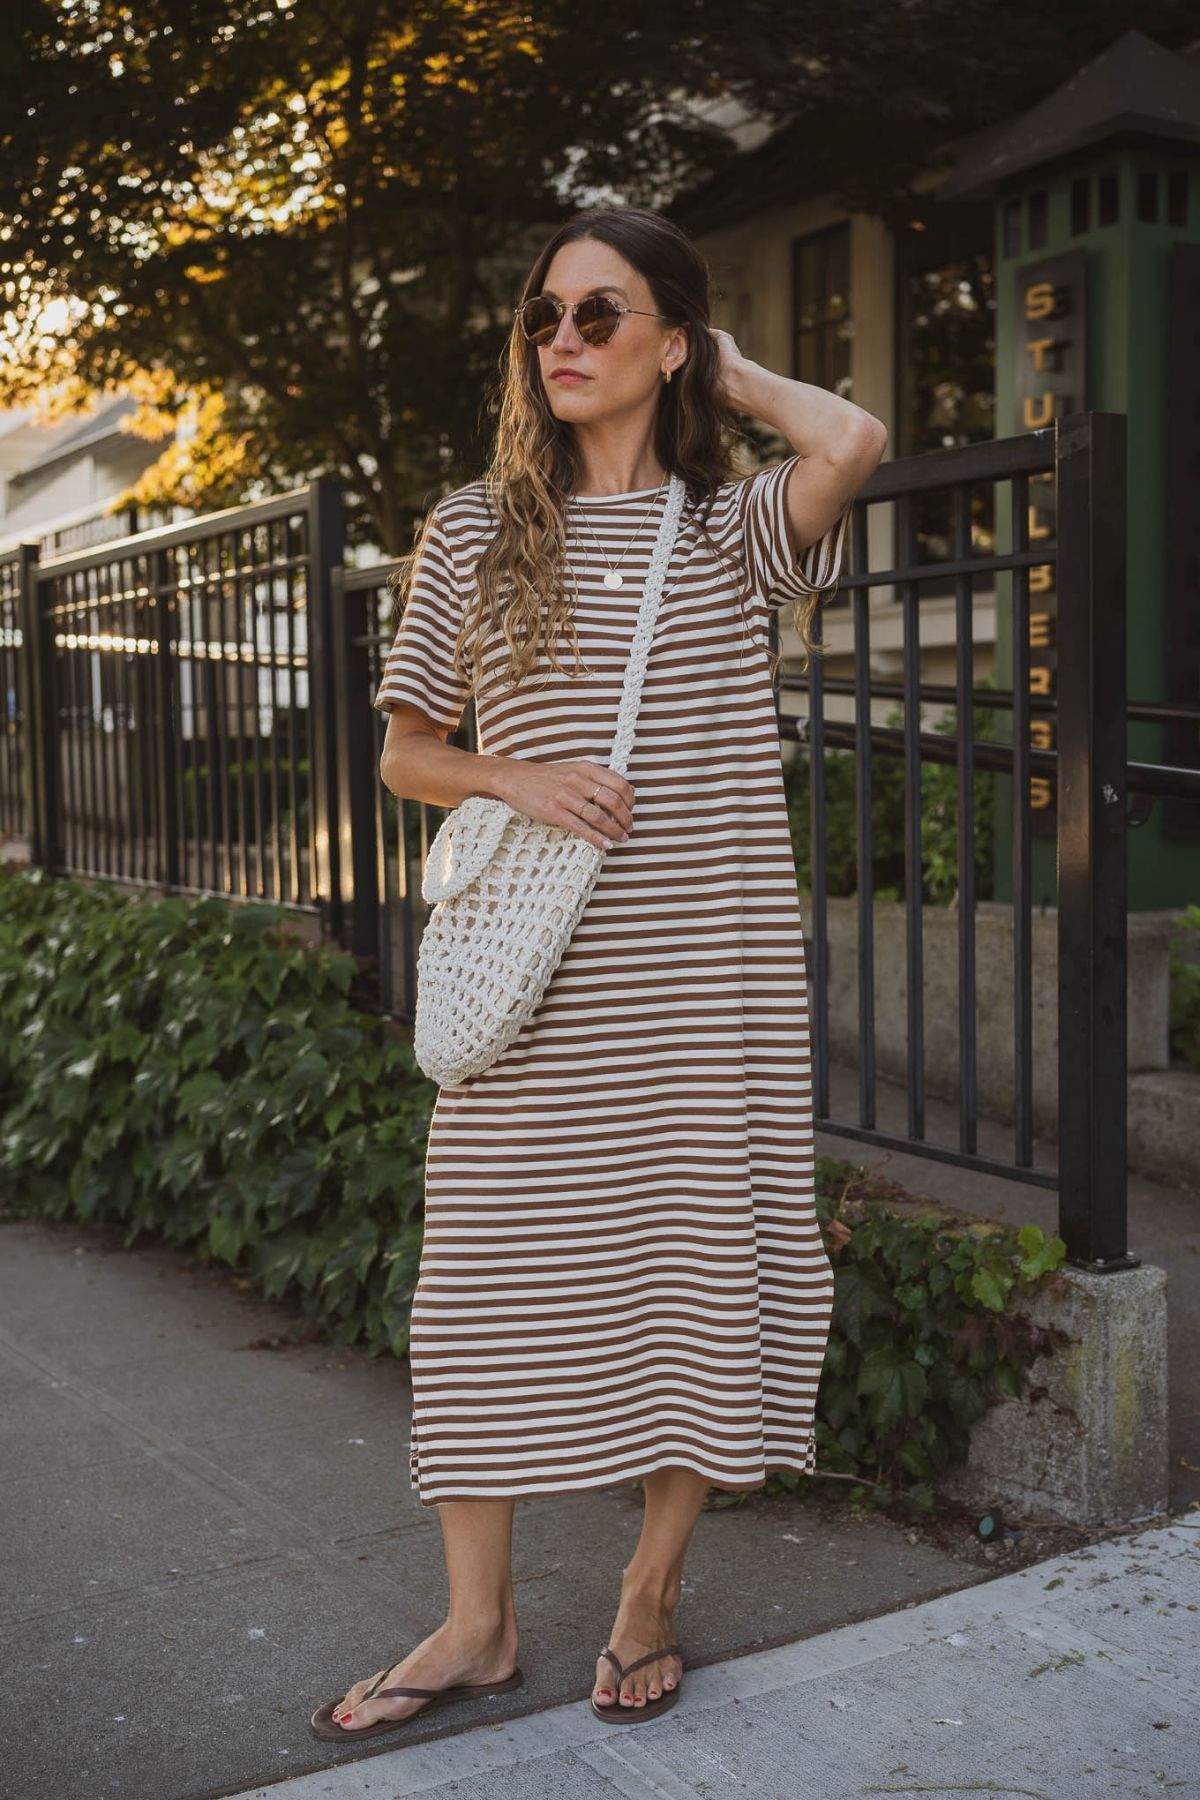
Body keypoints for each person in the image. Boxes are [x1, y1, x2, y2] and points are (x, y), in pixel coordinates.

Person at [313, 205, 886, 1742]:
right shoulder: (474, 529)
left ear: (669, 340)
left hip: (702, 972)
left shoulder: (730, 528)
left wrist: (735, 373)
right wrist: (517, 776)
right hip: (534, 975)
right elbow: (406, 753)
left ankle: (648, 1592)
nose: (560, 340)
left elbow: (856, 437)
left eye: (600, 313)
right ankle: (478, 1623)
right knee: (480, 1277)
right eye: (543, 318)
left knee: (698, 1266)